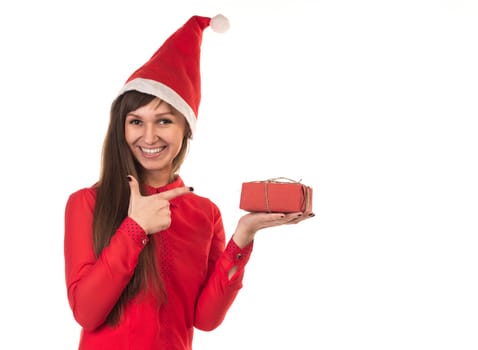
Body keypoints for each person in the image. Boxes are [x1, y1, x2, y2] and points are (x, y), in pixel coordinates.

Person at [63, 14, 313, 349]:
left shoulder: (204, 213)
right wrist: (135, 228)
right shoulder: (87, 203)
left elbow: (205, 320)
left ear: (186, 128)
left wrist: (243, 237)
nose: (148, 136)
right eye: (136, 121)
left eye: (164, 120)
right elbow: (86, 311)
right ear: (122, 128)